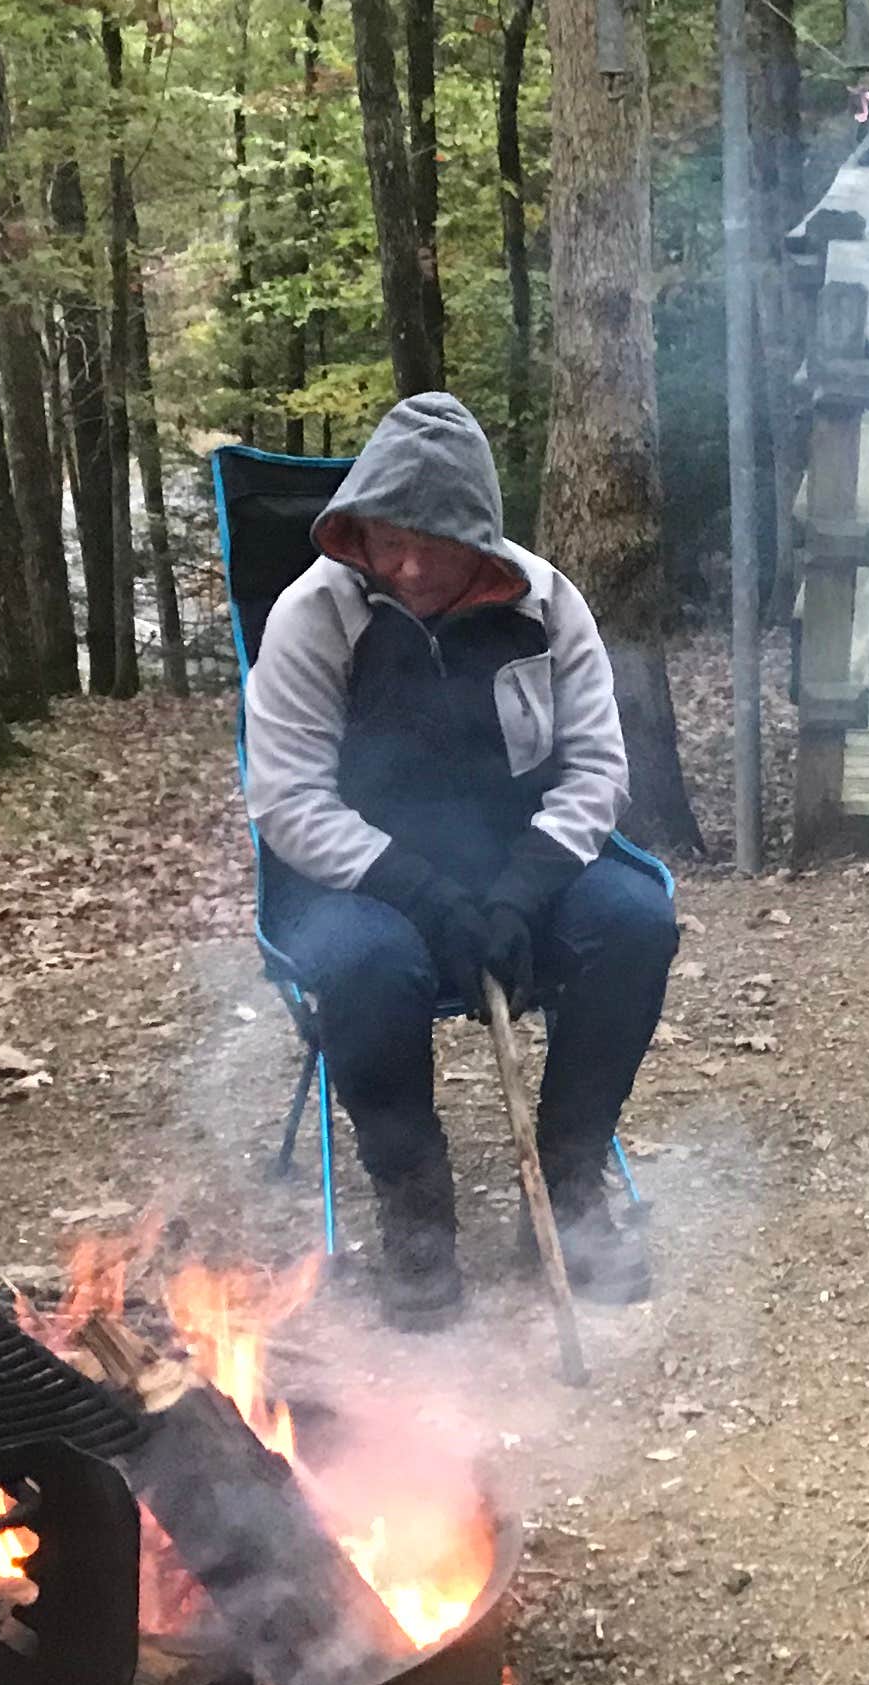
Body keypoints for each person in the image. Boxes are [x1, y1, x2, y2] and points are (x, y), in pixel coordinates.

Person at [244, 393, 678, 1323]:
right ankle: (414, 1210)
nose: (404, 564)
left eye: (431, 544)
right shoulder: (311, 616)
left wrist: (522, 889)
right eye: (385, 539)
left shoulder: (547, 605)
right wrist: (418, 889)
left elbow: (598, 772)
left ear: (478, 538)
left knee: (633, 923)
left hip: (517, 860)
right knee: (364, 963)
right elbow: (287, 799)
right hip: (357, 875)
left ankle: (565, 1184)